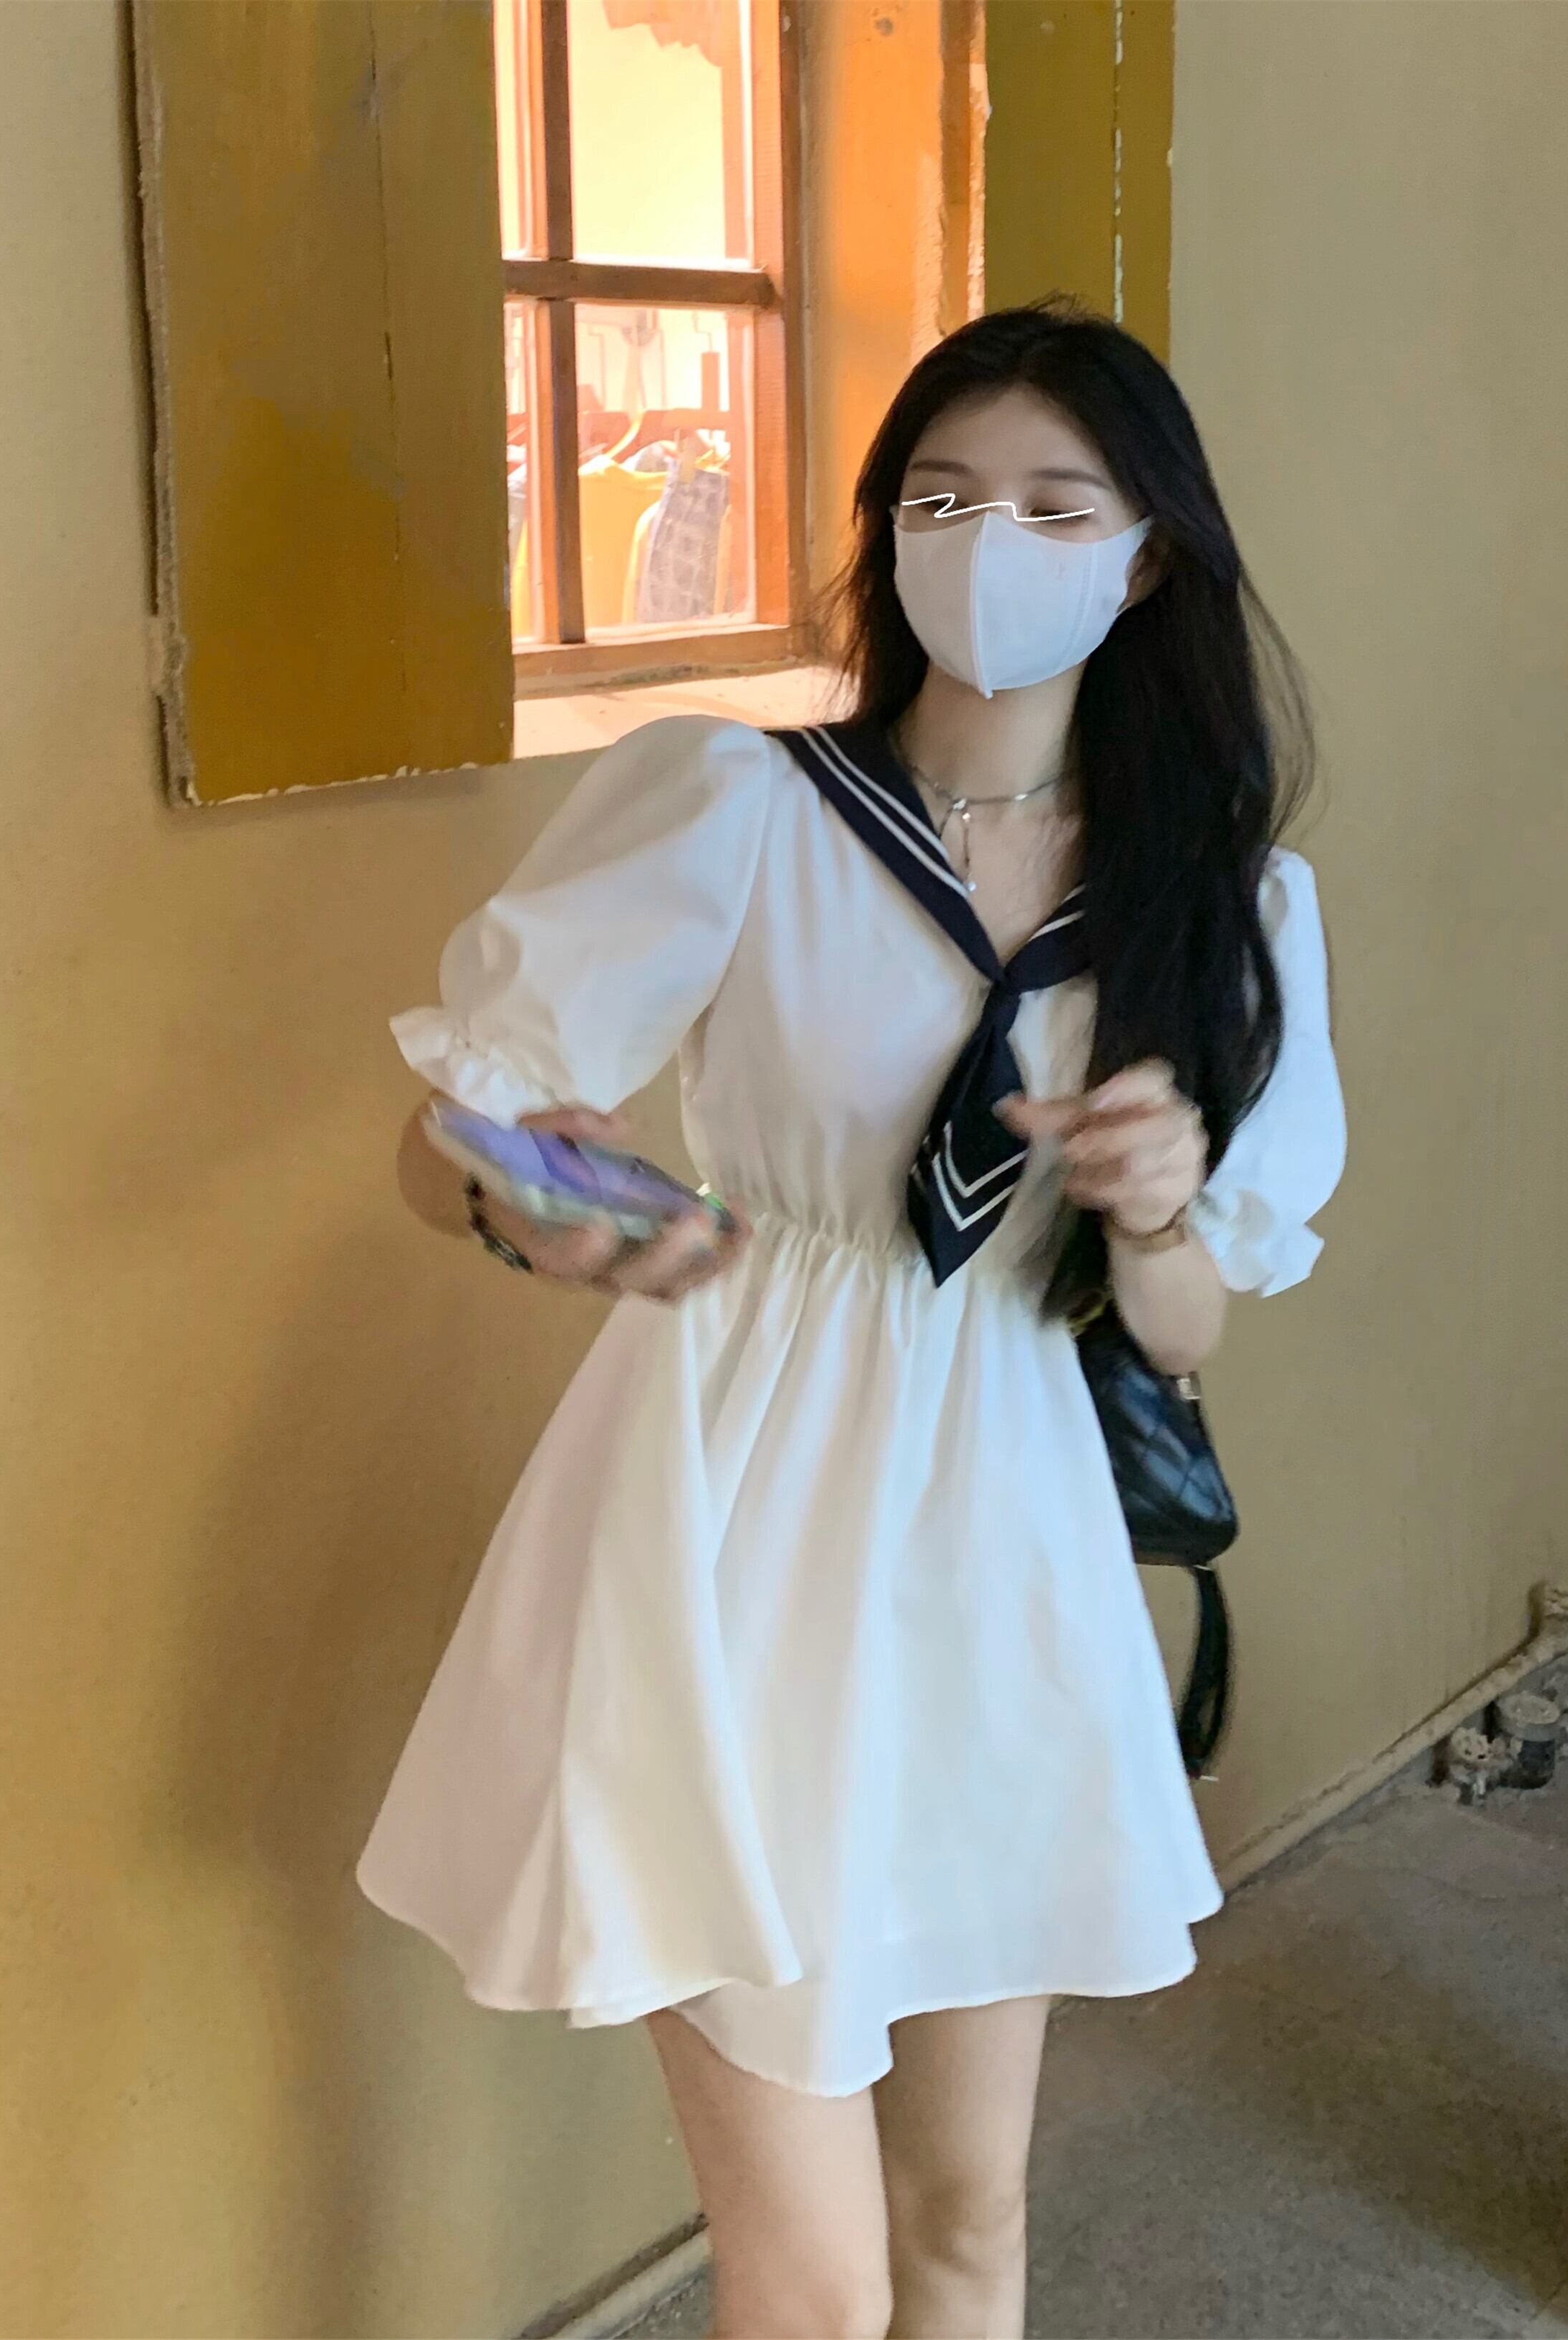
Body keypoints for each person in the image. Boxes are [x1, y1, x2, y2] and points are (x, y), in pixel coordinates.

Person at [357, 302, 1346, 2340]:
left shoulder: (1219, 905)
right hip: (730, 1530)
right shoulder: (738, 810)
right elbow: (449, 1136)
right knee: (808, 2285)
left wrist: (1158, 1205)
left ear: (1143, 558)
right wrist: (546, 1208)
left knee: (967, 2221)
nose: (989, 542)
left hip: (999, 1552)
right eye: (942, 497)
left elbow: (1179, 1333)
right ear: (888, 535)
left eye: (1054, 504)